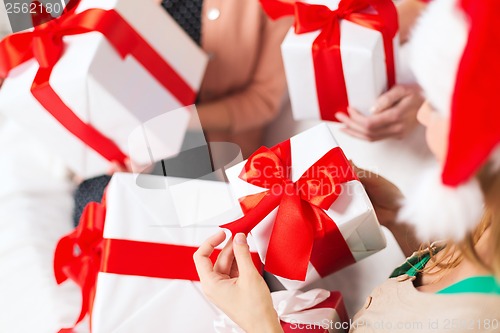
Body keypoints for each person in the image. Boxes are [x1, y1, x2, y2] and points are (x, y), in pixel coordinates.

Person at [193, 0, 500, 332]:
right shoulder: (486, 223)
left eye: (438, 105)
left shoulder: (475, 318)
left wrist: (260, 323)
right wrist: (399, 217)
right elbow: (441, 278)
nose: (422, 114)